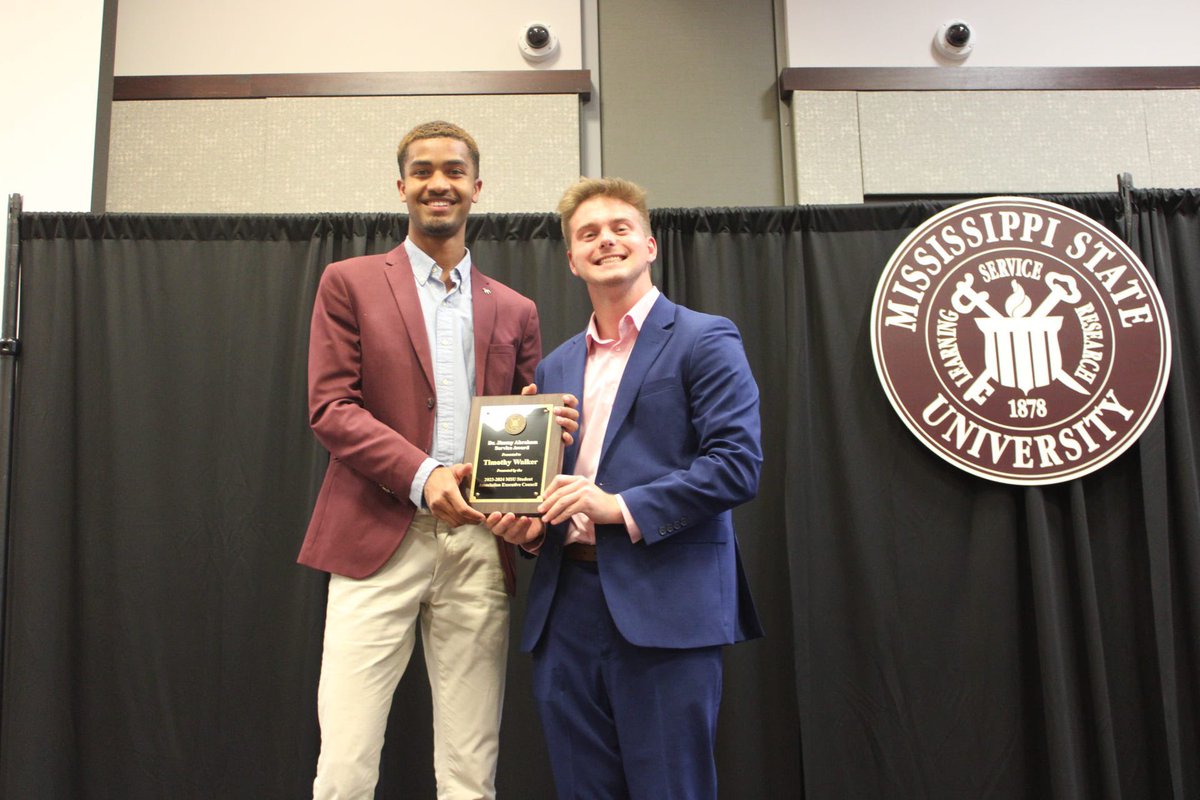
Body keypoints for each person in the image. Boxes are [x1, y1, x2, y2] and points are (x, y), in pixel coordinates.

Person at [486, 177, 764, 799]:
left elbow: (736, 464)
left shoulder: (704, 337)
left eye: (619, 229)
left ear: (650, 245)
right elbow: (556, 488)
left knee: (671, 788)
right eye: (588, 233)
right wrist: (532, 529)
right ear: (571, 257)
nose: (605, 241)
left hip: (665, 603)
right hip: (566, 611)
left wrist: (618, 507)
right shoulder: (554, 365)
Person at [299, 120, 545, 799]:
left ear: (477, 187)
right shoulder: (347, 282)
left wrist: (527, 506)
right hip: (374, 536)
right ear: (402, 184)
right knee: (346, 763)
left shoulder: (517, 309)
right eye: (425, 170)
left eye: (455, 171)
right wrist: (422, 474)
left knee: (471, 769)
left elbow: (524, 424)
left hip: (476, 542)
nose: (440, 182)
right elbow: (331, 408)